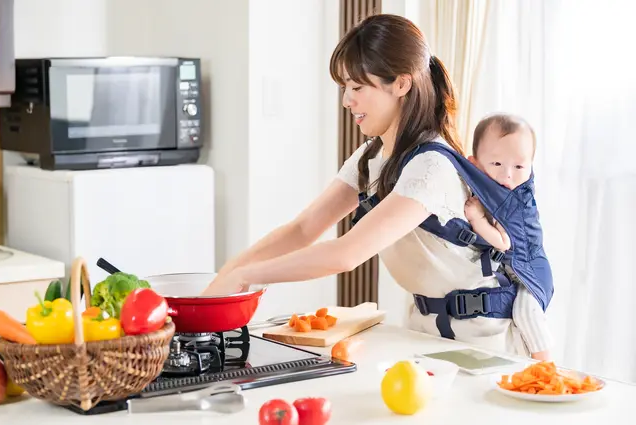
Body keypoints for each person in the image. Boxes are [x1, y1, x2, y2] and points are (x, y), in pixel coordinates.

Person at [202, 14, 540, 358]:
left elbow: (347, 254)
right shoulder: (372, 155)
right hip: (427, 333)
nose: (347, 100)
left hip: (483, 342)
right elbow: (303, 229)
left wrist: (247, 276)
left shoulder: (431, 166)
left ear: (401, 84)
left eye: (357, 87)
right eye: (345, 88)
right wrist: (215, 291)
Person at [464, 113, 553, 360]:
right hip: (513, 270)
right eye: (496, 164)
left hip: (531, 271)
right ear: (475, 164)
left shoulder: (514, 201)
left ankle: (547, 369)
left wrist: (477, 219)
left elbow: (503, 242)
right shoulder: (492, 190)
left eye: (519, 167)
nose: (507, 176)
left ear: (530, 167)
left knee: (526, 312)